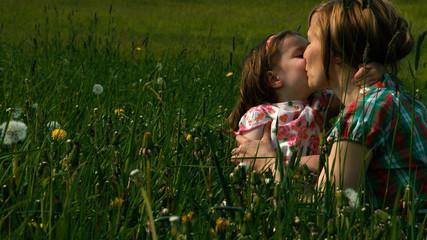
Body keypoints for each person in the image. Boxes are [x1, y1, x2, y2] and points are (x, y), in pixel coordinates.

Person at [232, 0, 427, 213]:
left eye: (310, 42)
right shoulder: (394, 95)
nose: (305, 55)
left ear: (336, 53)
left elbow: (325, 211)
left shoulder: (363, 114)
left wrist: (270, 166)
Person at [230, 30, 382, 174]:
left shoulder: (320, 102)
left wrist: (375, 71)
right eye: (301, 54)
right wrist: (311, 163)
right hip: (271, 193)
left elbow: (356, 90)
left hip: (313, 195)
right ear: (274, 79)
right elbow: (249, 161)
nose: (309, 56)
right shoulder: (258, 116)